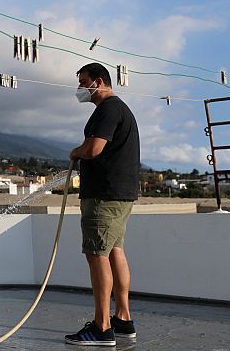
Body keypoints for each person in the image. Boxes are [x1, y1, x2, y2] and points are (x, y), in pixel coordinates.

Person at [65, 62, 140, 347]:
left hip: (104, 197)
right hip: (120, 195)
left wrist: (75, 152)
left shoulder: (107, 110)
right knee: (114, 251)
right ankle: (123, 319)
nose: (80, 89)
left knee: (97, 255)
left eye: (83, 82)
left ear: (98, 81)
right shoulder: (120, 109)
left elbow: (94, 149)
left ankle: (102, 326)